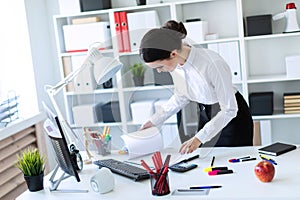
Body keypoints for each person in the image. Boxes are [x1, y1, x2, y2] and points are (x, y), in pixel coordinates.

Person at [139, 20, 253, 154]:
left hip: (231, 119)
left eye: (160, 67)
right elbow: (181, 97)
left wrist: (199, 138)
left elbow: (229, 110)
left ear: (173, 54)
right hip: (206, 115)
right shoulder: (175, 65)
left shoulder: (211, 63)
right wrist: (153, 121)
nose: (159, 71)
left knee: (232, 165)